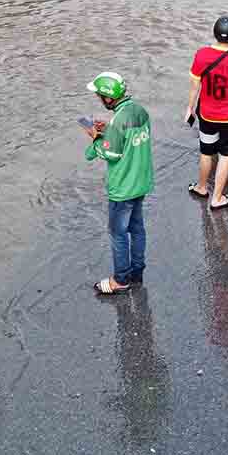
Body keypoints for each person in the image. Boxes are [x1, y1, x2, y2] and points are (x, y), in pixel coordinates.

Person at [83, 72, 154, 295]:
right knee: (137, 228)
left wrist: (96, 138)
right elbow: (129, 138)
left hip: (122, 188)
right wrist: (109, 129)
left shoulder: (118, 120)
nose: (98, 99)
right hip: (141, 182)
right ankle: (137, 272)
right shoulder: (139, 111)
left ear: (108, 97)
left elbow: (110, 154)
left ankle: (120, 280)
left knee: (118, 233)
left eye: (99, 96)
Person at [185, 15, 228, 210]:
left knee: (206, 153)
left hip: (206, 114)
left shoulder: (201, 55)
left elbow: (194, 87)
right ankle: (217, 198)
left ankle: (201, 187)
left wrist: (190, 108)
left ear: (214, 33)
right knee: (225, 156)